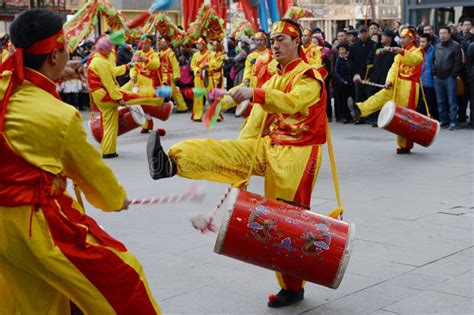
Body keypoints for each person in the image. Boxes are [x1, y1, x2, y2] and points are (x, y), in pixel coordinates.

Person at [147, 18, 328, 308]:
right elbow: (261, 114)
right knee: (225, 151)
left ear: (298, 42)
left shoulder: (310, 75)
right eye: (273, 40)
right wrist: (243, 144)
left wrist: (255, 93)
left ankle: (293, 287)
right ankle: (171, 162)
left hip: (299, 154)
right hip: (270, 144)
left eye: (282, 39)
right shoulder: (276, 74)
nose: (274, 44)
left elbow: (291, 102)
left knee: (286, 221)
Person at [0, 9, 160, 314]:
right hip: (35, 226)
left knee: (34, 301)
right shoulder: (58, 117)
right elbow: (90, 172)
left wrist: (58, 72)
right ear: (53, 56)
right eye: (64, 49)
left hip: (3, 226)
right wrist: (115, 199)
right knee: (124, 275)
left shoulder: (6, 83)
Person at [349, 27, 424, 154]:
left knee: (404, 116)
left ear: (411, 39)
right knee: (380, 96)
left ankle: (405, 145)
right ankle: (360, 109)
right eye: (401, 37)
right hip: (396, 84)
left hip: (409, 86)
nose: (402, 40)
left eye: (404, 37)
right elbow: (393, 69)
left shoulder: (417, 51)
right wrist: (389, 81)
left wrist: (401, 52)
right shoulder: (400, 53)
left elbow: (415, 60)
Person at [433, 26, 463, 130]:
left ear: (450, 34)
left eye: (445, 33)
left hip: (450, 78)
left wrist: (453, 75)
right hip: (438, 78)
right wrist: (434, 72)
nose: (442, 35)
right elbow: (433, 61)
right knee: (440, 101)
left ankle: (453, 122)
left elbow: (458, 62)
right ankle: (443, 120)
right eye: (440, 33)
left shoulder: (455, 46)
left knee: (452, 101)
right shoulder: (437, 46)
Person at [158, 36, 188, 113]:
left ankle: (163, 108)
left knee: (166, 91)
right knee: (174, 91)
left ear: (167, 43)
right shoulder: (160, 53)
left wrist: (176, 75)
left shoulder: (171, 54)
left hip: (169, 76)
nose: (160, 43)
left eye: (162, 42)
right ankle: (182, 106)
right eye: (160, 42)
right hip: (162, 75)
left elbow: (175, 65)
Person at [417, 33, 439, 120]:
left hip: (430, 81)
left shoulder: (434, 51)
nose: (421, 44)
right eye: (420, 41)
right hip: (420, 81)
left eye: (423, 42)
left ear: (429, 42)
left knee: (430, 102)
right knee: (420, 103)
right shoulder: (418, 51)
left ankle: (431, 119)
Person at [190, 37, 212, 121]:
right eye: (197, 44)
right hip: (198, 77)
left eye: (199, 44)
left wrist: (208, 65)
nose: (197, 45)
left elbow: (213, 63)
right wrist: (197, 69)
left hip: (208, 77)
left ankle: (214, 115)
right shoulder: (195, 55)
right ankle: (197, 116)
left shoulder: (210, 54)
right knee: (198, 96)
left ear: (204, 44)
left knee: (210, 96)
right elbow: (192, 66)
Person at [334, 43, 355, 123]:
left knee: (355, 100)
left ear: (346, 50)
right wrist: (342, 80)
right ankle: (346, 117)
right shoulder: (339, 59)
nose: (341, 51)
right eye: (340, 50)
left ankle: (357, 116)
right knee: (343, 101)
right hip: (343, 83)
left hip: (352, 82)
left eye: (343, 49)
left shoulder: (350, 58)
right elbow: (336, 72)